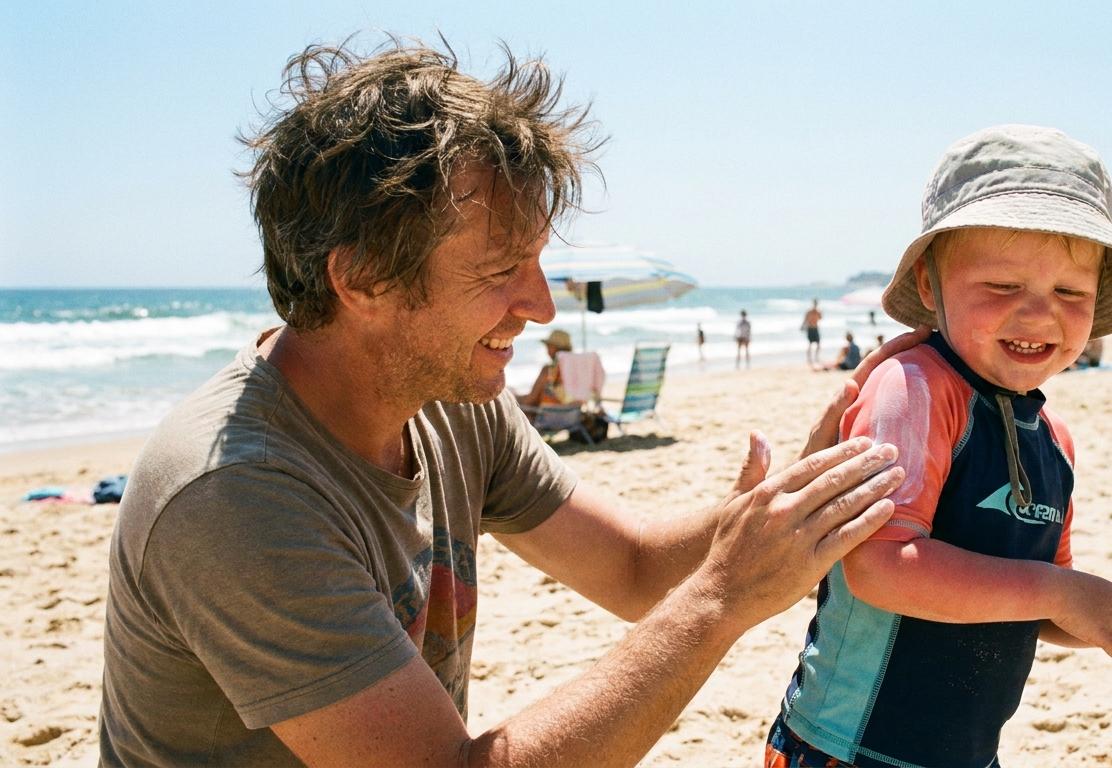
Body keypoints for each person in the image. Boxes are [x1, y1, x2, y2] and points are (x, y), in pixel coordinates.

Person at [98, 39, 928, 768]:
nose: (541, 306)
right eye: (501, 270)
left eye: (535, 262)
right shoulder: (236, 496)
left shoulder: (450, 399)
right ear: (360, 280)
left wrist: (775, 514)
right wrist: (720, 598)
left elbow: (633, 569)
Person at [766, 125, 1112, 768]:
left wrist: (1108, 607)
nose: (1037, 314)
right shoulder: (913, 388)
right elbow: (880, 565)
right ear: (929, 280)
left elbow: (1024, 604)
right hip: (851, 746)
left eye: (1070, 292)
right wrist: (1057, 589)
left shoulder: (1052, 440)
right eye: (1002, 286)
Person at [515, 328, 573, 409]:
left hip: (547, 416)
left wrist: (513, 399)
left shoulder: (549, 370)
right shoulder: (575, 371)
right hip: (572, 415)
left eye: (549, 346)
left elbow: (529, 401)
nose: (547, 349)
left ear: (555, 347)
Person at [803, 299, 823, 364]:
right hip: (811, 328)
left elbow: (820, 318)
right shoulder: (810, 311)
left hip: (814, 328)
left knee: (817, 344)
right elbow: (806, 319)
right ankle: (810, 358)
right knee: (810, 344)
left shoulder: (817, 311)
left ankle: (815, 357)